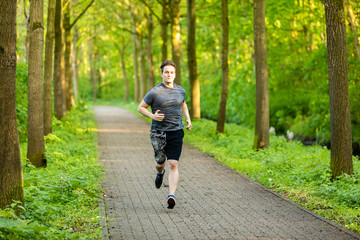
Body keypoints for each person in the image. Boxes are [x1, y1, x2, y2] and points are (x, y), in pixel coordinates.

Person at [137, 60, 192, 209]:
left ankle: (171, 196)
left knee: (173, 163)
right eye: (166, 72)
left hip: (176, 131)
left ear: (175, 75)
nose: (169, 74)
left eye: (172, 72)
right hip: (158, 132)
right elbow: (140, 108)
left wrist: (188, 119)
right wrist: (152, 116)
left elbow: (183, 103)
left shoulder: (181, 91)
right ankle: (160, 173)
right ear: (162, 74)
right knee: (160, 163)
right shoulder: (155, 91)